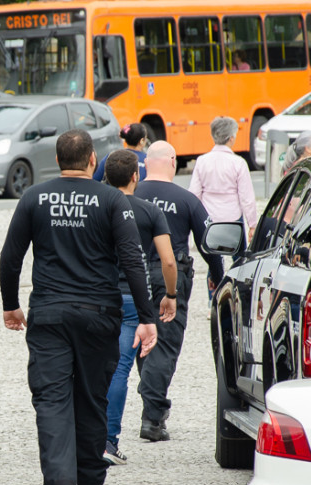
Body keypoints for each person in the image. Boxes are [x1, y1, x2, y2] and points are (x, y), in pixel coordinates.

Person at [0, 129, 158, 485]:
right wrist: (147, 317)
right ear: (92, 161)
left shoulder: (34, 197)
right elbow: (132, 260)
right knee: (92, 399)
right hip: (98, 316)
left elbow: (11, 256)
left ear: (57, 161)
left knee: (51, 400)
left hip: (49, 314)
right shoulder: (113, 200)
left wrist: (11, 305)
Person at [134, 141, 225, 442]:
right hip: (170, 278)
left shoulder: (129, 196)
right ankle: (152, 417)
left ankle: (151, 405)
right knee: (164, 345)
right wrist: (218, 277)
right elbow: (210, 243)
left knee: (143, 340)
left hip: (130, 276)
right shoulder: (186, 200)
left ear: (146, 163)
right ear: (173, 162)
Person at [101, 149, 177, 466]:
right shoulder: (149, 211)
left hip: (98, 295)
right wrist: (170, 294)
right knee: (120, 368)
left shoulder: (97, 206)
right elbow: (168, 261)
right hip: (132, 298)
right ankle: (108, 441)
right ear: (136, 176)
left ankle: (82, 437)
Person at [188, 116, 258, 257]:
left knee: (214, 260)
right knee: (238, 260)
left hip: (209, 219)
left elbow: (194, 194)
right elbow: (247, 198)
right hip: (233, 219)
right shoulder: (238, 163)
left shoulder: (202, 161)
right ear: (231, 138)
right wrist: (252, 224)